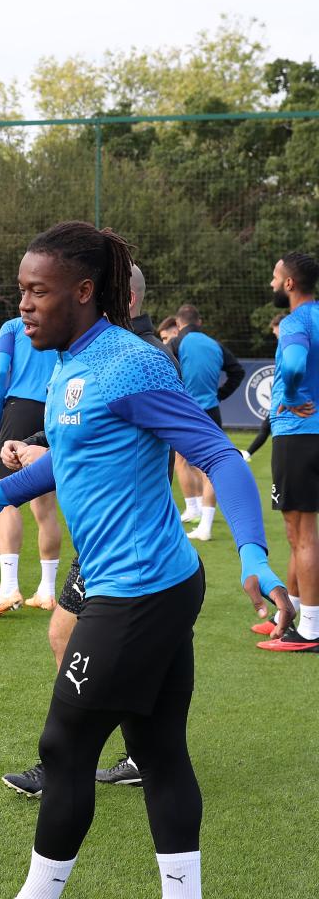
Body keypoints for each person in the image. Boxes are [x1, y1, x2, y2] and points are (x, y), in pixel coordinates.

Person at [0, 221, 289, 899]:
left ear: (83, 291)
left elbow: (219, 455)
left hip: (139, 592)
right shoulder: (69, 362)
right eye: (21, 290)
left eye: (38, 292)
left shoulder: (129, 364)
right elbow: (70, 460)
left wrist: (253, 554)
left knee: (63, 747)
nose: (23, 305)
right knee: (159, 750)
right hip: (145, 584)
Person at [0, 261, 177, 797]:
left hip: (128, 540)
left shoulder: (138, 356)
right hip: (118, 538)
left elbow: (120, 448)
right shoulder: (96, 353)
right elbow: (79, 429)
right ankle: (130, 754)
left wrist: (252, 552)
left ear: (120, 297)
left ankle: (67, 759)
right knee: (132, 657)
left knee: (70, 636)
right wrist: (35, 446)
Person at [258, 251, 319, 652]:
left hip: (298, 434)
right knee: (298, 531)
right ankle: (291, 612)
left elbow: (295, 365)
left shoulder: (296, 322)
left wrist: (293, 396)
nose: (272, 283)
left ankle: (311, 630)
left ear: (290, 283)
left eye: (275, 277)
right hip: (309, 436)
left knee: (303, 534)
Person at [0, 311, 61, 615]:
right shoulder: (59, 324)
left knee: (7, 500)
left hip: (19, 410)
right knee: (46, 507)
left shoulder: (13, 327)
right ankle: (47, 591)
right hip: (54, 409)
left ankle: (8, 588)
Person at [170, 304, 245, 541]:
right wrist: (220, 394)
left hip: (185, 411)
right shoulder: (215, 344)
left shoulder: (176, 343)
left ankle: (197, 515)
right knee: (209, 465)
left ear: (178, 324)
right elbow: (238, 372)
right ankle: (202, 519)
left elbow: (166, 372)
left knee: (181, 461)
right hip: (211, 411)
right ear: (199, 322)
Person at [239, 314, 283, 468]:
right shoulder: (284, 345)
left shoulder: (288, 344)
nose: (273, 332)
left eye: (274, 328)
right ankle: (248, 453)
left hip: (284, 401)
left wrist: (286, 397)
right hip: (281, 400)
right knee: (267, 427)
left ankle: (248, 454)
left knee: (270, 429)